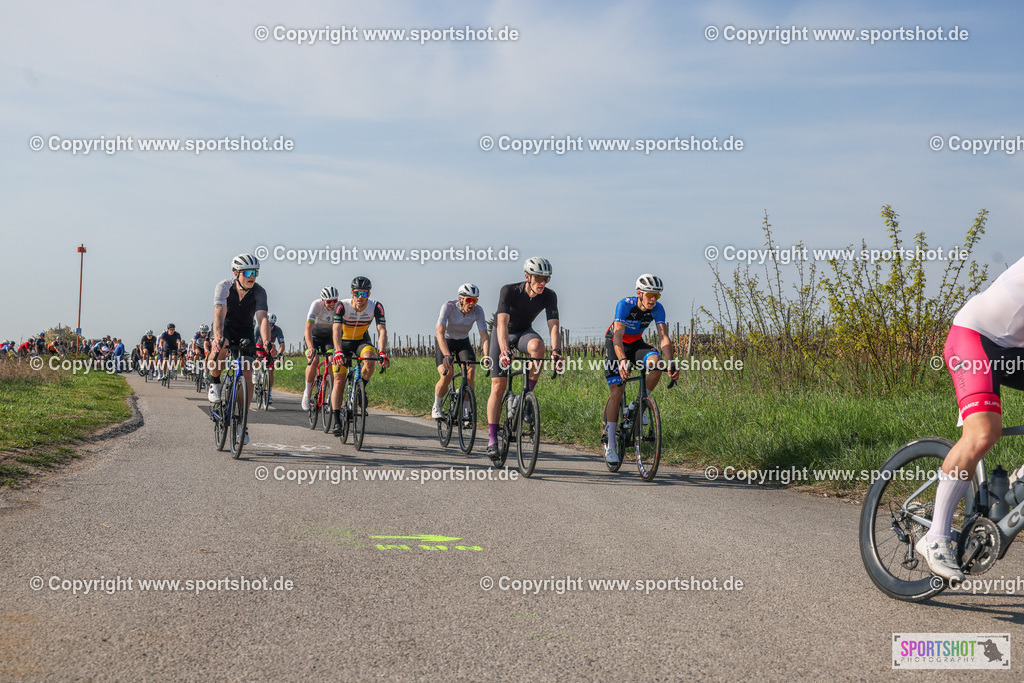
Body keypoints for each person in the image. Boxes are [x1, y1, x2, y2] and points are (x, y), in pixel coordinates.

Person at [923, 256, 1024, 581]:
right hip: (975, 338)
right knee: (983, 434)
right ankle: (936, 537)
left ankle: (1015, 484)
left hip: (1013, 350)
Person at [485, 257, 563, 461]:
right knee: (498, 385)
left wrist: (556, 351)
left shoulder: (549, 295)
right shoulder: (509, 291)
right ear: (527, 276)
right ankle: (492, 439)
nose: (542, 282)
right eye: (538, 277)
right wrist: (503, 351)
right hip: (502, 334)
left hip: (523, 333)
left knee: (538, 348)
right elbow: (501, 323)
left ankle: (526, 396)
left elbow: (554, 325)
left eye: (546, 278)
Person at [602, 274, 679, 465]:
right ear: (640, 293)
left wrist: (671, 362)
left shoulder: (658, 309)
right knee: (617, 392)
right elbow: (617, 336)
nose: (654, 299)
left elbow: (663, 337)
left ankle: (639, 404)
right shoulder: (625, 305)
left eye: (657, 296)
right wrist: (621, 361)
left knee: (658, 364)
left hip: (636, 344)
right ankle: (611, 444)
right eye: (650, 294)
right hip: (615, 345)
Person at [208, 253, 272, 446]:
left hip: (245, 330)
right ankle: (215, 382)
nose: (253, 276)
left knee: (247, 370)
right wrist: (218, 336)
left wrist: (267, 341)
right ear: (236, 273)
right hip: (226, 326)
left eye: (256, 272)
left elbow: (262, 319)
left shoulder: (260, 291)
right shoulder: (224, 287)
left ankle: (242, 421)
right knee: (222, 346)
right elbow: (219, 314)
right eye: (249, 272)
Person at [330, 276, 390, 434]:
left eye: (364, 294)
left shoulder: (376, 306)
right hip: (342, 342)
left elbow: (381, 330)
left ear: (369, 294)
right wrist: (337, 351)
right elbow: (336, 329)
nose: (360, 298)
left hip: (361, 341)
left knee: (370, 361)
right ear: (352, 293)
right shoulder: (341, 306)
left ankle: (360, 388)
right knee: (338, 380)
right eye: (357, 294)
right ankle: (336, 421)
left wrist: (383, 352)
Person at [433, 283, 489, 419]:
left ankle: (465, 412)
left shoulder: (478, 311)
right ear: (460, 299)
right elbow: (440, 332)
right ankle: (437, 406)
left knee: (470, 371)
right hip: (446, 342)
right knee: (447, 374)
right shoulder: (448, 307)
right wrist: (446, 355)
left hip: (463, 342)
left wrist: (487, 355)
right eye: (469, 300)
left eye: (475, 300)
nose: (472, 304)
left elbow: (484, 335)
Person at [302, 286, 340, 411]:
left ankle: (330, 396)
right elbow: (308, 329)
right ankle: (307, 393)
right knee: (314, 361)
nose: (332, 304)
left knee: (332, 362)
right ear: (323, 300)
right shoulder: (316, 305)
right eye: (329, 301)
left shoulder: (340, 307)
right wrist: (311, 348)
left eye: (335, 300)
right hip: (314, 337)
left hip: (329, 338)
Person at [265, 313, 285, 405]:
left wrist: (280, 354)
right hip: (260, 346)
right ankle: (256, 374)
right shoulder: (260, 328)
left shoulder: (277, 330)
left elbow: (282, 345)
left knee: (271, 370)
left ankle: (269, 393)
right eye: (268, 324)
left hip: (270, 348)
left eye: (272, 324)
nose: (270, 326)